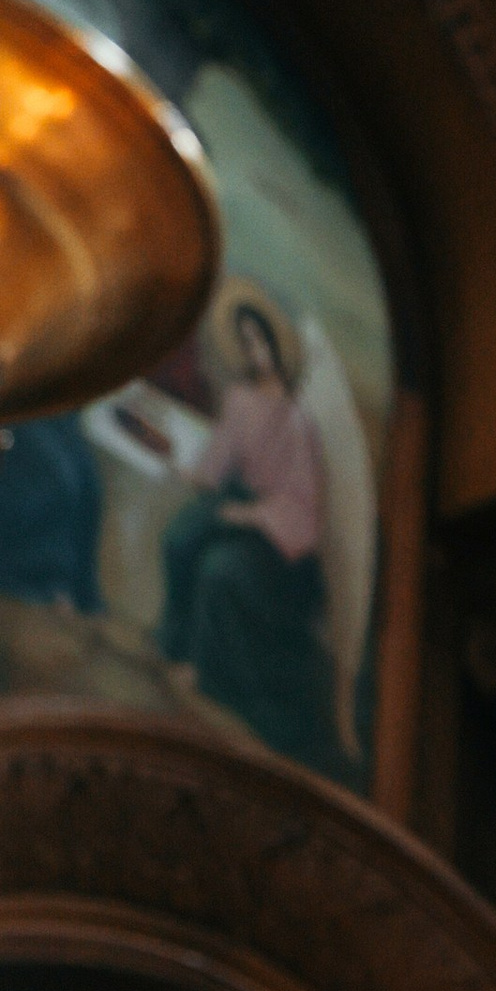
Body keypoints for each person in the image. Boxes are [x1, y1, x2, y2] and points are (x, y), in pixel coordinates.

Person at [159, 286, 348, 781]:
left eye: (261, 342)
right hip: (241, 507)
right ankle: (175, 647)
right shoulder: (241, 400)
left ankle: (208, 671)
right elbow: (218, 463)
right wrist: (194, 472)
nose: (256, 353)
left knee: (222, 572)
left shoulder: (298, 419)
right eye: (246, 343)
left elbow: (303, 507)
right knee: (180, 537)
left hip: (279, 539)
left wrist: (251, 517)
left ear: (277, 346)